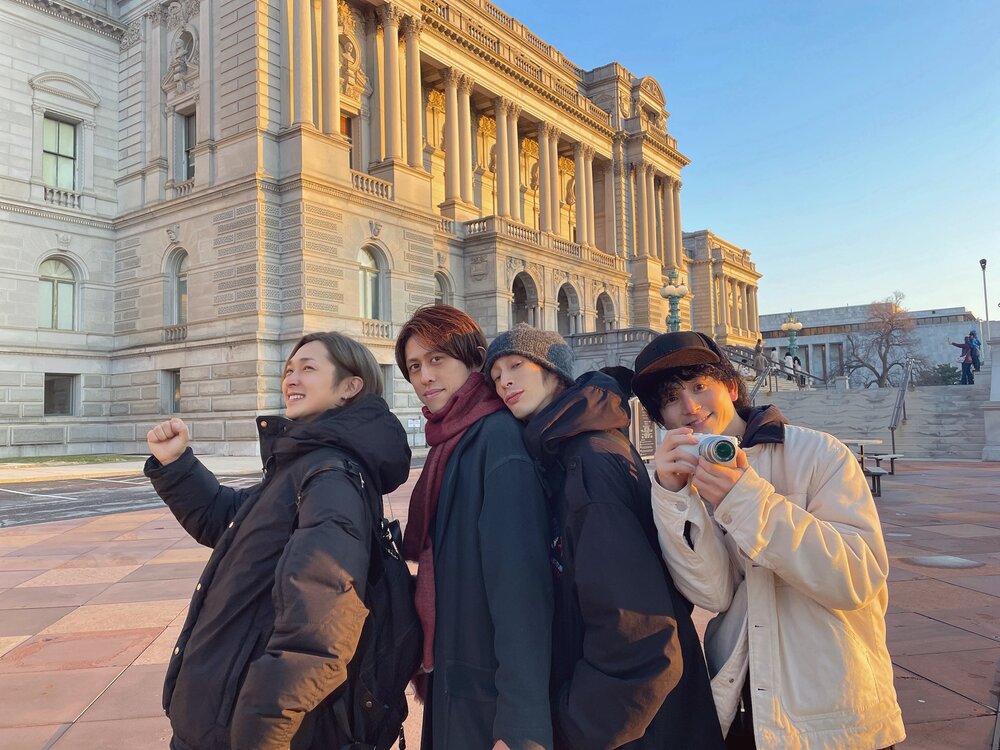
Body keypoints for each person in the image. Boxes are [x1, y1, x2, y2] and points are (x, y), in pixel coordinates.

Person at [632, 330, 904, 750]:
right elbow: (715, 594)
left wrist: (745, 500)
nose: (689, 406)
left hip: (834, 712)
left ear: (731, 386)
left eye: (700, 386)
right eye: (671, 398)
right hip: (745, 706)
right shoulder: (684, 482)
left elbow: (856, 578)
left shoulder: (818, 454)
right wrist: (672, 498)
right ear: (662, 418)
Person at [144, 332, 411, 750]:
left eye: (308, 368)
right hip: (223, 713)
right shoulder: (305, 462)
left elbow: (320, 627)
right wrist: (176, 464)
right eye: (288, 370)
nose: (291, 379)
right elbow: (233, 522)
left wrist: (261, 732)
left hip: (241, 728)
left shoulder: (330, 476)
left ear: (349, 386)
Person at [485, 324, 724, 750]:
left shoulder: (589, 459)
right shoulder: (570, 447)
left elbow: (640, 637)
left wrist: (568, 725)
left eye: (516, 365)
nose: (504, 381)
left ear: (554, 371)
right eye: (496, 374)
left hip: (635, 730)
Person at [395, 306, 553, 750]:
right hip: (456, 672)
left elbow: (521, 590)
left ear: (474, 360)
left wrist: (521, 727)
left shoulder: (496, 439)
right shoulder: (453, 439)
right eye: (414, 366)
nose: (424, 376)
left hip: (486, 695)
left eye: (437, 359)